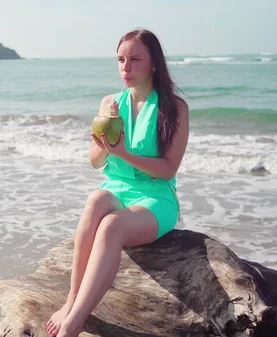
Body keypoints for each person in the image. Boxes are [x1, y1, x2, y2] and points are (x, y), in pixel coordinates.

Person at [46, 28, 190, 337]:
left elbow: (167, 169)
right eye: (121, 60)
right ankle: (71, 299)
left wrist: (122, 151)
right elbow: (95, 162)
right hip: (117, 188)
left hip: (156, 196)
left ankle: (74, 322)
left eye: (135, 59)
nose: (125, 67)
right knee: (95, 200)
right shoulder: (110, 104)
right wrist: (102, 146)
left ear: (154, 64)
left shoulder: (175, 108)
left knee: (111, 226)